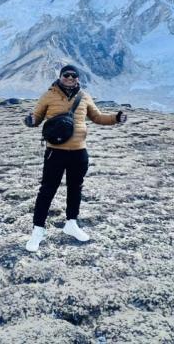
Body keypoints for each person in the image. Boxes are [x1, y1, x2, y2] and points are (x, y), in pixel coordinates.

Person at [22, 64, 127, 252]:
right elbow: (36, 118)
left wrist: (116, 118)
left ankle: (71, 223)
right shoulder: (49, 95)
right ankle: (38, 230)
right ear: (60, 77)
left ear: (78, 78)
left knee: (75, 189)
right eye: (66, 75)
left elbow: (98, 117)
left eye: (74, 76)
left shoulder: (84, 97)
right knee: (47, 190)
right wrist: (30, 120)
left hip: (79, 152)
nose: (70, 78)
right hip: (55, 152)